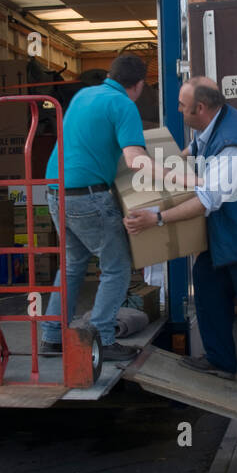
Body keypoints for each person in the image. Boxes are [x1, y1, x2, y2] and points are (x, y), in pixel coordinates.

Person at [124, 77, 237, 405]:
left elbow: (207, 200)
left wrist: (156, 218)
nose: (178, 109)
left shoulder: (234, 144)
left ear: (200, 108)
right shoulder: (216, 125)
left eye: (181, 105)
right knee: (207, 286)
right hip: (227, 234)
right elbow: (196, 151)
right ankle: (219, 361)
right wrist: (162, 168)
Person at [39, 55, 150, 362]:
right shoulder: (124, 105)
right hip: (88, 197)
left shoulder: (83, 95)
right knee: (117, 267)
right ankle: (101, 337)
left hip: (55, 192)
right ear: (139, 85)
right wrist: (178, 176)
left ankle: (51, 337)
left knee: (72, 265)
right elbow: (134, 159)